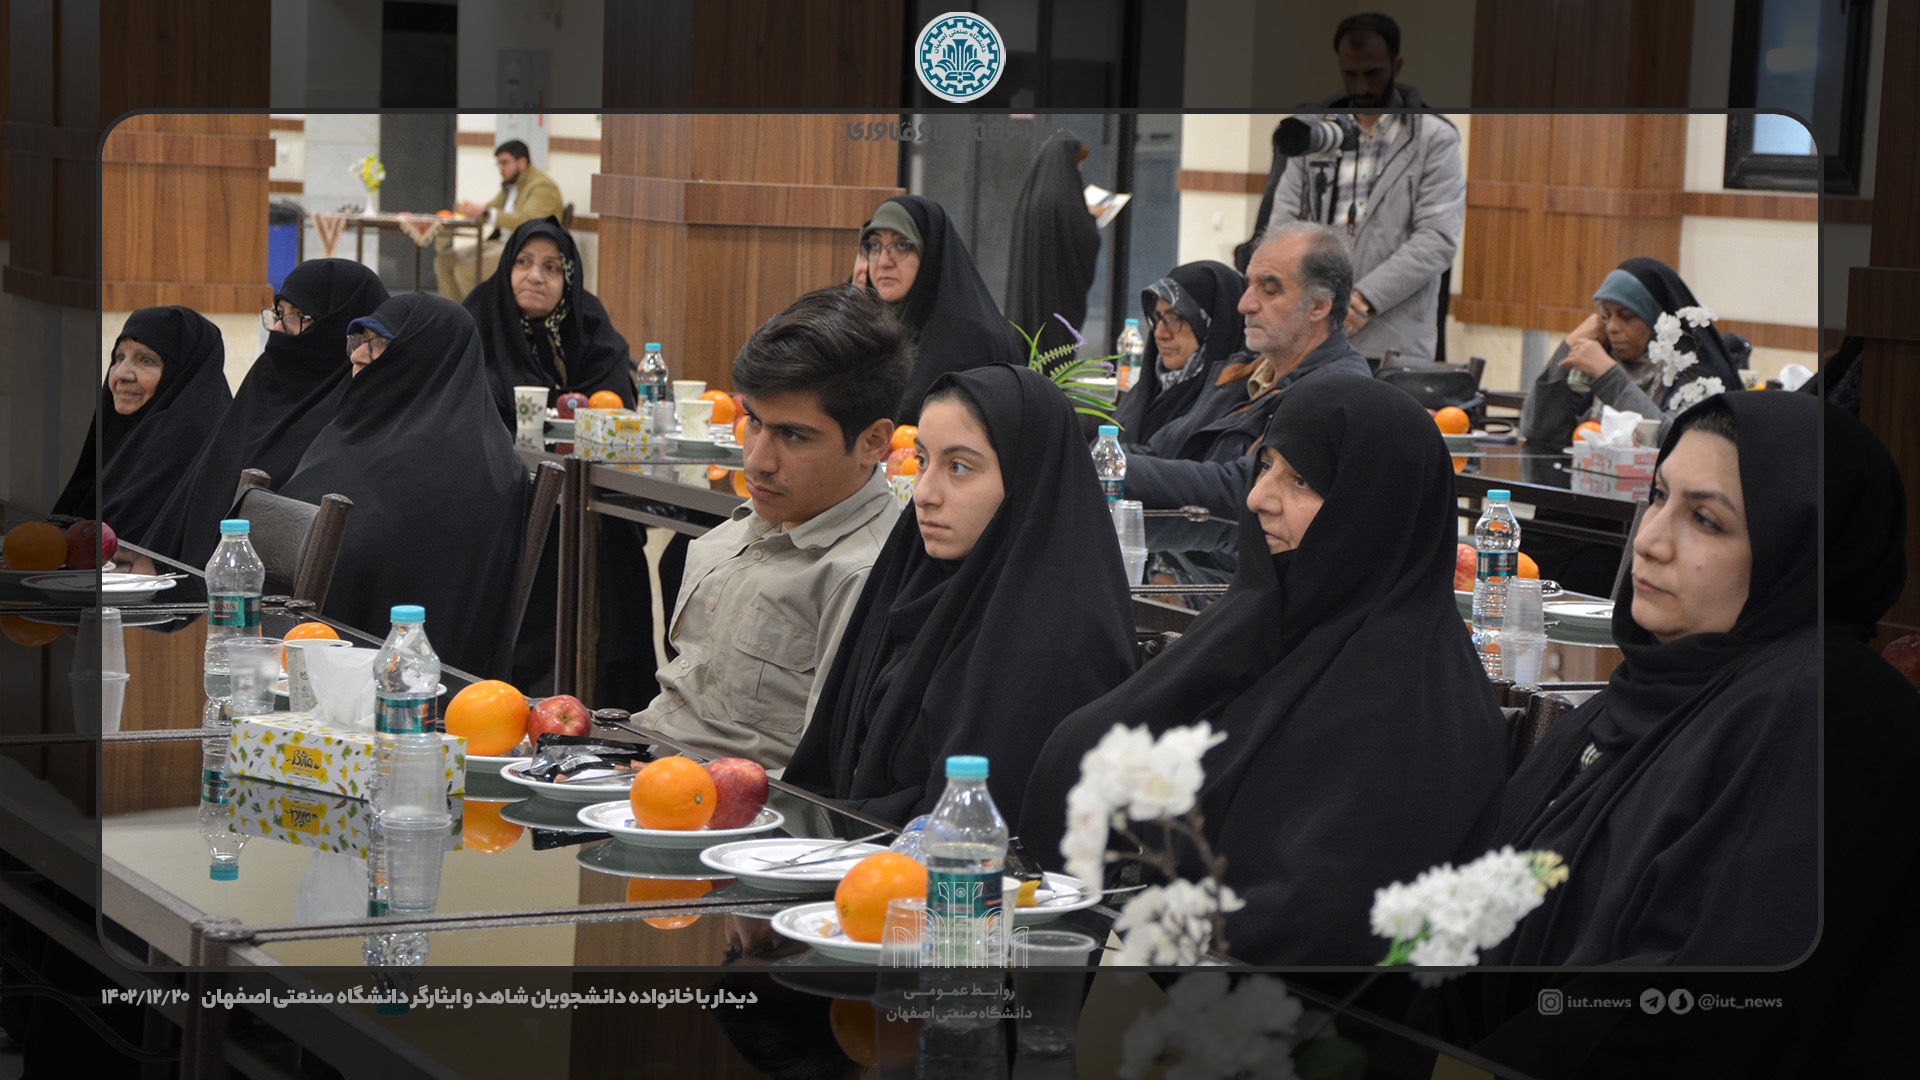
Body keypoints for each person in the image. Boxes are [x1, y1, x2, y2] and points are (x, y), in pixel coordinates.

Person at [1438, 393, 1912, 1079]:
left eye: (1706, 520)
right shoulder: (1663, 684)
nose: (1651, 541)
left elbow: (1698, 1007)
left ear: (1799, 552)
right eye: (1658, 497)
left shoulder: (1818, 714)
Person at [1020, 374, 1506, 964]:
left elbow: (1316, 921)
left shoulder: (1416, 710)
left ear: (1376, 511)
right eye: (1266, 466)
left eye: (1301, 481)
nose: (1258, 498)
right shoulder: (1261, 630)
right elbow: (1085, 757)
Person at [785, 364, 1136, 826]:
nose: (925, 493)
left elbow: (977, 829)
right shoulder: (913, 582)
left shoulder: (1059, 643)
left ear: (1026, 478)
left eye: (959, 467)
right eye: (923, 460)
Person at [635, 285, 911, 774]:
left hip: (722, 807)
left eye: (793, 435)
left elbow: (821, 784)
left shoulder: (859, 576)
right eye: (754, 422)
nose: (757, 461)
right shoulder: (766, 514)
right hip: (646, 761)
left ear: (873, 442)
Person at [278, 294, 528, 677]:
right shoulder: (360, 431)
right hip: (312, 651)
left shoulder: (460, 468)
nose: (357, 355)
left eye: (378, 343)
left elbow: (352, 557)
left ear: (426, 357)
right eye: (357, 340)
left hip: (388, 680)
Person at [1240, 13, 1465, 365]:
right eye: (1351, 74)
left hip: (1392, 339)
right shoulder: (1316, 131)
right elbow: (1281, 227)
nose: (1361, 87)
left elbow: (1437, 238)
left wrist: (1362, 300)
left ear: (1396, 65)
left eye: (1373, 74)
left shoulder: (1434, 137)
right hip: (1308, 335)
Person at [143, 261, 389, 566]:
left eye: (298, 315)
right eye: (279, 312)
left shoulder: (352, 420)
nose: (278, 328)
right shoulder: (264, 383)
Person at [1122, 222, 1371, 520]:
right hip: (1189, 540)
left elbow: (1246, 488)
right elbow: (1162, 449)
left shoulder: (1336, 390)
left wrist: (1113, 467)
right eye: (1249, 285)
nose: (1245, 304)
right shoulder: (1242, 370)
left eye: (1269, 290)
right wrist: (1095, 457)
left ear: (1318, 306)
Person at [52, 306, 233, 547]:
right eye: (119, 358)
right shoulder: (126, 430)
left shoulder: (185, 442)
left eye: (146, 360)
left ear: (183, 372)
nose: (121, 374)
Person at [1519, 256, 1744, 448]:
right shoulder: (1604, 356)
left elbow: (1678, 445)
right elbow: (1538, 431)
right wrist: (1568, 347)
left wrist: (1609, 377)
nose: (1612, 327)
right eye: (1606, 316)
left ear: (1657, 320)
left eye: (1626, 316)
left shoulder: (1691, 372)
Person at [859, 195, 1023, 424]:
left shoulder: (970, 340)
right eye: (874, 245)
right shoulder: (876, 326)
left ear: (930, 253)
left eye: (902, 245)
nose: (884, 261)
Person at [465, 216, 634, 428]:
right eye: (523, 262)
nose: (535, 276)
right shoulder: (479, 314)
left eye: (551, 267)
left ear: (568, 278)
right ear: (508, 267)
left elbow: (613, 398)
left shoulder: (589, 320)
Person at [1112, 260, 1248, 445]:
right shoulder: (1150, 390)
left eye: (1175, 318)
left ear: (1215, 326)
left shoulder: (1231, 405)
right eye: (1157, 317)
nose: (1160, 334)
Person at [1005, 131, 1101, 359]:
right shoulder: (1065, 199)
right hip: (1057, 295)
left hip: (1028, 292)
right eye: (1078, 164)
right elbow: (1085, 240)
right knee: (1054, 351)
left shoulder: (1029, 198)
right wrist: (1092, 219)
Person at [434, 140, 565, 304]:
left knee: (465, 271)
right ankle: (453, 315)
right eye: (499, 164)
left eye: (505, 163)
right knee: (444, 262)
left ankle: (479, 317)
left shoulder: (542, 187)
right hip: (500, 243)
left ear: (522, 162)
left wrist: (486, 212)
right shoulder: (510, 186)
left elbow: (528, 221)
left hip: (524, 248)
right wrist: (468, 211)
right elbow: (490, 209)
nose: (501, 169)